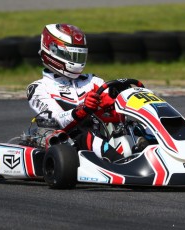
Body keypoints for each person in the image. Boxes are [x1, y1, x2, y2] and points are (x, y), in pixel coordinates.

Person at [26, 23, 124, 162]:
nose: (76, 61)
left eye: (79, 56)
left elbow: (114, 113)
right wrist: (83, 109)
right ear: (53, 51)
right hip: (67, 144)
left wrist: (115, 104)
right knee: (88, 137)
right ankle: (121, 164)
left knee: (132, 128)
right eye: (72, 55)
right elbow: (59, 119)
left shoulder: (94, 81)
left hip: (102, 136)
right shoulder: (39, 88)